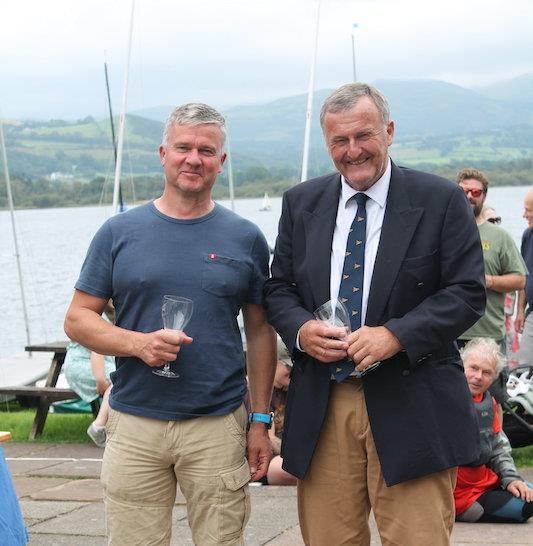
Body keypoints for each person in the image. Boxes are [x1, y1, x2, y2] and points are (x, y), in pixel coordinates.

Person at [264, 82, 486, 546]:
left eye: (363, 136)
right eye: (339, 141)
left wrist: (396, 335)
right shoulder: (300, 202)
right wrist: (302, 331)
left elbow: (466, 292)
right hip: (325, 405)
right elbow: (278, 289)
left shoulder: (441, 199)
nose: (353, 151)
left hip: (414, 399)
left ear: (388, 131)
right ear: (327, 144)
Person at [64, 103, 277, 546]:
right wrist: (137, 344)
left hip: (217, 423)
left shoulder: (246, 238)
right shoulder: (118, 232)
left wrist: (260, 420)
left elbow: (260, 333)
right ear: (163, 153)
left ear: (222, 161)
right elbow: (78, 318)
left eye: (206, 149)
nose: (193, 158)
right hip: (135, 421)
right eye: (183, 147)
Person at [456, 338, 533, 522]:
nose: (478, 376)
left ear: (493, 378)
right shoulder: (445, 399)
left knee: (527, 491)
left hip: (484, 481)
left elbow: (499, 447)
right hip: (460, 493)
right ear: (461, 366)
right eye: (473, 368)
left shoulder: (488, 403)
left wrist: (511, 478)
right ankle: (463, 510)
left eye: (487, 372)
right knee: (527, 505)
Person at [456, 168, 527, 351]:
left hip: (488, 336)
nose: (470, 196)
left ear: (484, 197)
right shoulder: (442, 231)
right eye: (464, 191)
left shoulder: (499, 236)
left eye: (476, 192)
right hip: (449, 333)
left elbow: (520, 280)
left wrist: (489, 281)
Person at [63, 300, 116, 447]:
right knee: (119, 381)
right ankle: (98, 426)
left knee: (120, 379)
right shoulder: (97, 317)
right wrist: (100, 380)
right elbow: (96, 350)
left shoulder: (104, 315)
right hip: (85, 365)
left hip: (81, 364)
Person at [517, 189, 533, 366]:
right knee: (523, 369)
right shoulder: (528, 235)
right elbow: (524, 275)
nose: (524, 215)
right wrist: (520, 310)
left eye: (528, 210)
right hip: (532, 315)